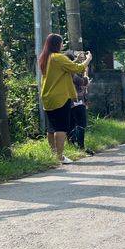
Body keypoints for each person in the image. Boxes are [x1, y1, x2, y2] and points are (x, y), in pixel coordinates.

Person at [39, 34, 92, 164]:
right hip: (60, 97)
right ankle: (60, 156)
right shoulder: (58, 57)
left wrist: (75, 60)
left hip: (47, 97)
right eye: (61, 43)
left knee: (51, 128)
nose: (62, 45)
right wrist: (88, 59)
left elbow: (64, 68)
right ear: (57, 44)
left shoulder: (46, 58)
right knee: (61, 127)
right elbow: (78, 68)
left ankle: (53, 155)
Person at [69, 70, 92, 155]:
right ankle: (80, 146)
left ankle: (73, 145)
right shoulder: (72, 73)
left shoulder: (66, 72)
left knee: (72, 124)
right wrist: (86, 72)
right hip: (76, 102)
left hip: (72, 102)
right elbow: (84, 82)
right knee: (81, 124)